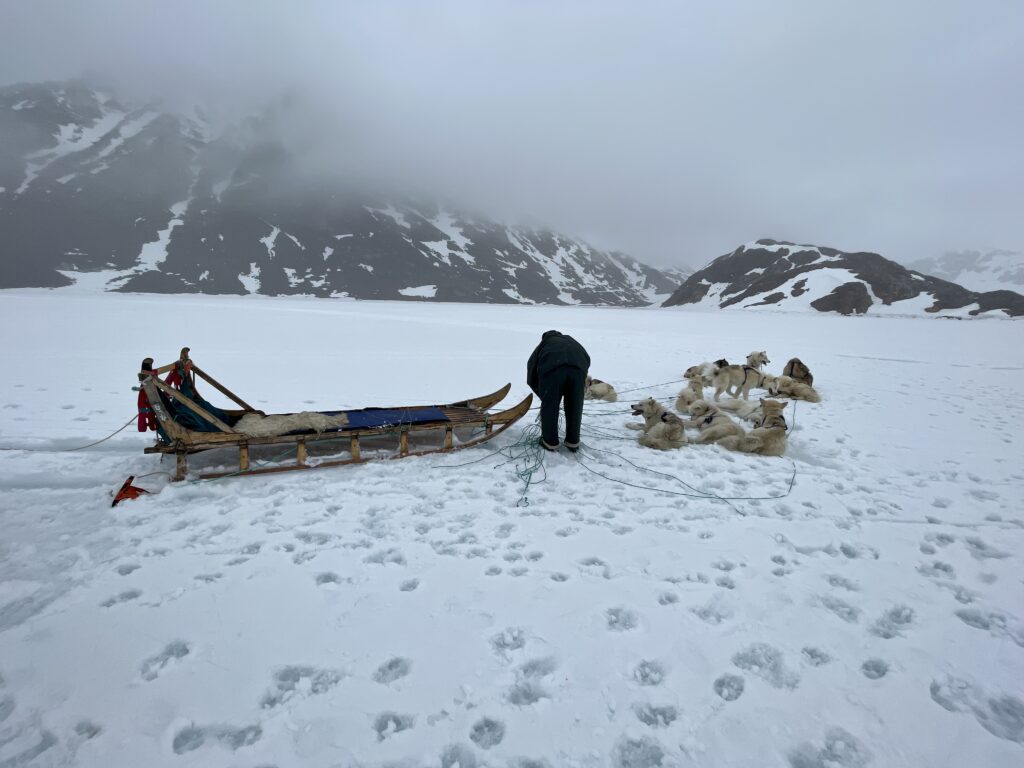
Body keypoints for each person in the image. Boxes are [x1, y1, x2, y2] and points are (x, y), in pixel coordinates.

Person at [526, 330, 591, 452]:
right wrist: (579, 376)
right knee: (575, 406)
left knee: (550, 407)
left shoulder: (545, 343)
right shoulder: (572, 341)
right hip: (577, 372)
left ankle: (550, 442)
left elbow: (531, 367)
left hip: (554, 371)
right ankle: (573, 442)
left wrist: (543, 394)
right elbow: (587, 358)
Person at [136, 357, 158, 432]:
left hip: (149, 395)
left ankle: (151, 426)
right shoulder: (148, 379)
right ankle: (147, 427)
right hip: (147, 395)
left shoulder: (151, 377)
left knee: (149, 410)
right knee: (144, 411)